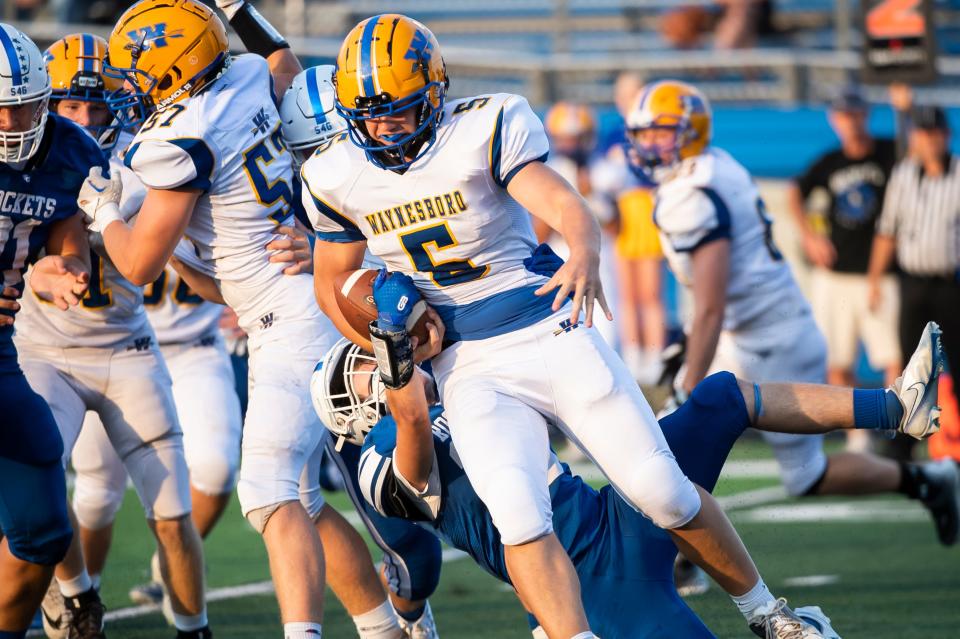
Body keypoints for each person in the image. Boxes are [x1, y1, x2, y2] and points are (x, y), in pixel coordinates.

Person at [307, 15, 842, 638]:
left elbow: (562, 203)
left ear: (434, 90)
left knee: (660, 488)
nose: (382, 128)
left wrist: (584, 251)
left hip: (544, 324)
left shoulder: (483, 127)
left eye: (396, 111)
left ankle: (770, 615)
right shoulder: (334, 172)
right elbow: (332, 284)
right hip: (466, 362)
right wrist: (385, 330)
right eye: (368, 116)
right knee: (517, 516)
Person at [82, 2, 423, 636]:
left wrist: (106, 216)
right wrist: (241, 10)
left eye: (138, 71)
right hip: (297, 298)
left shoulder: (181, 136)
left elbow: (135, 265)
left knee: (267, 493)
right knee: (303, 498)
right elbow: (285, 63)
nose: (130, 86)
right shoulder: (244, 77)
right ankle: (394, 628)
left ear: (174, 68)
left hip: (290, 319)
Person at [313, 308, 943, 638]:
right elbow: (416, 456)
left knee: (721, 397)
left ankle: (897, 408)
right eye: (366, 368)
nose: (382, 363)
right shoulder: (380, 456)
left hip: (613, 508)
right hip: (591, 580)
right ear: (353, 407)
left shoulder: (455, 386)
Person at [625, 80, 960, 551]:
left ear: (690, 131)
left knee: (702, 444)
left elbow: (712, 304)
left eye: (658, 132)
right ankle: (923, 479)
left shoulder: (690, 195)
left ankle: (907, 439)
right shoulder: (714, 166)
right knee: (711, 455)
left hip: (769, 336)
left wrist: (686, 383)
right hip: (759, 327)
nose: (646, 144)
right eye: (641, 134)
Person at [17, 32, 209, 639]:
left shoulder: (148, 159)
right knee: (43, 486)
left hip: (127, 346)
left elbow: (177, 250)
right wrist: (38, 270)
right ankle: (75, 597)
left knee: (175, 513)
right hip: (42, 350)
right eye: (72, 105)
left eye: (99, 107)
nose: (86, 119)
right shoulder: (20, 158)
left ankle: (193, 627)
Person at [0, 23, 95, 639]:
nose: (11, 121)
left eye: (25, 104)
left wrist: (59, 268)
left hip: (2, 353)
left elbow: (68, 240)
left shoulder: (71, 150)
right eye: (0, 108)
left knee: (45, 530)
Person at [787, 87, 902, 452]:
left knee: (894, 358)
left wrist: (906, 108)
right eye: (842, 116)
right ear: (834, 120)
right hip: (836, 275)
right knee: (839, 360)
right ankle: (858, 437)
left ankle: (897, 430)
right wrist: (810, 237)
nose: (849, 123)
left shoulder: (888, 153)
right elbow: (795, 191)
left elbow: (917, 148)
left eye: (854, 115)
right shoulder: (830, 161)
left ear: (865, 115)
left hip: (880, 274)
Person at [868, 104, 960, 461]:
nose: (928, 140)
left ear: (945, 136)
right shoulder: (905, 173)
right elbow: (887, 229)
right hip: (913, 283)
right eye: (921, 134)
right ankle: (905, 443)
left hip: (950, 283)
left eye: (933, 133)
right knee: (913, 365)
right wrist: (875, 278)